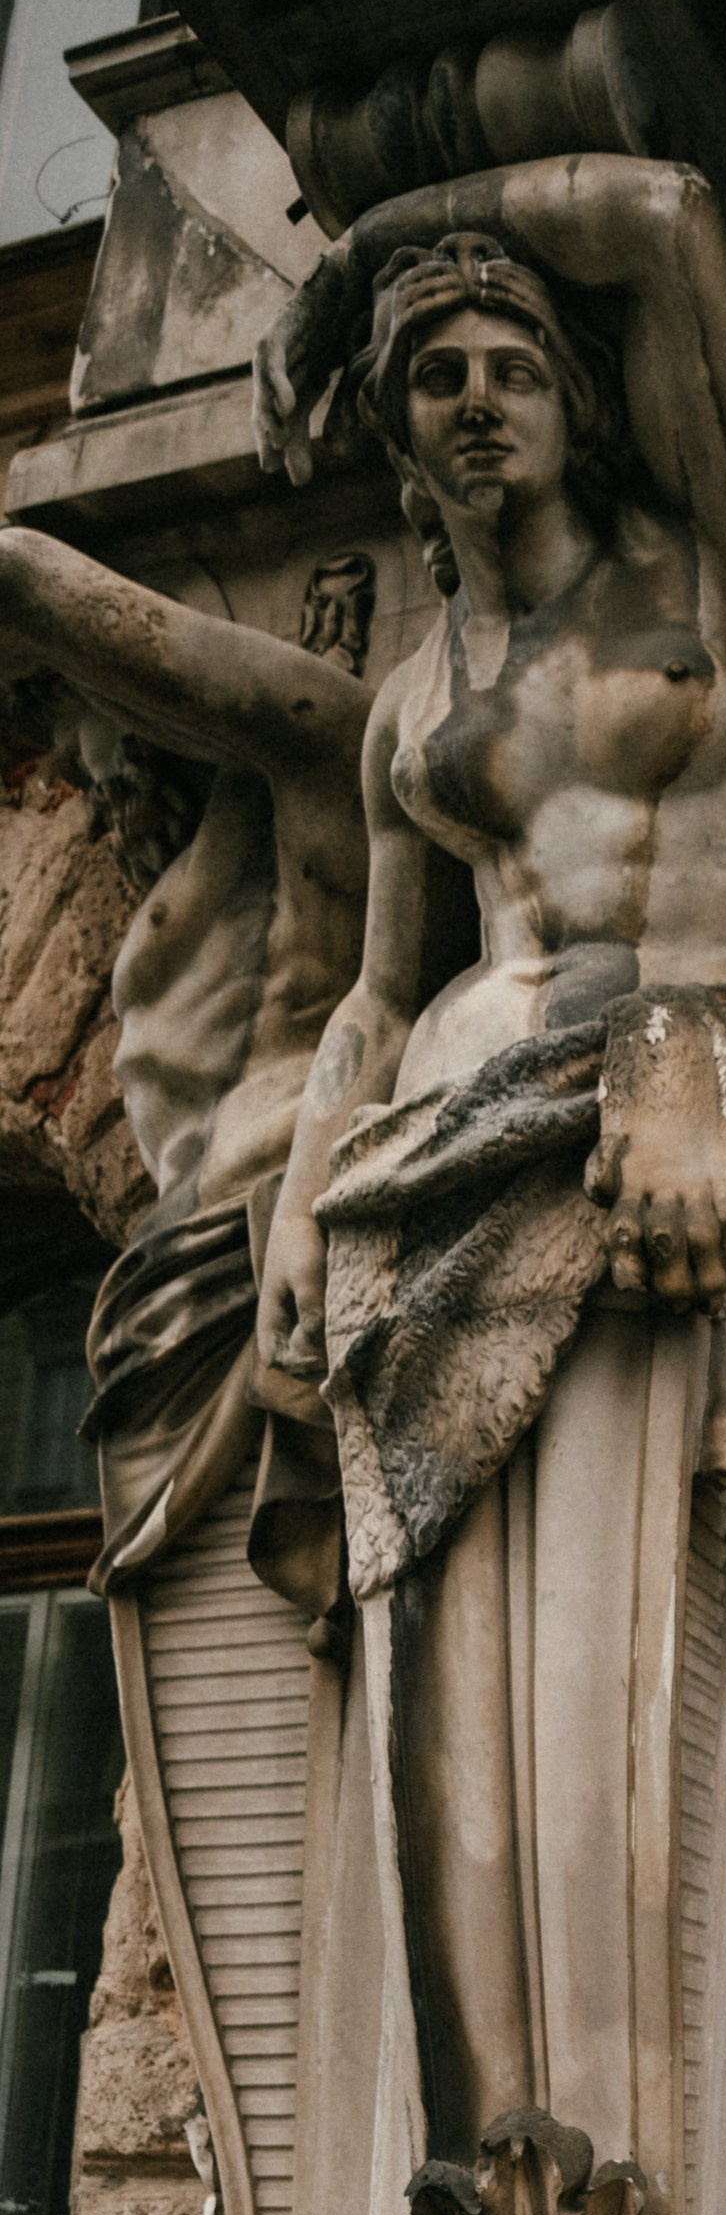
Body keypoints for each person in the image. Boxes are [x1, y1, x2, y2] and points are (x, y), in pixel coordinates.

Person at [244, 157, 726, 2215]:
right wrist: (303, 1214)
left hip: (641, 1131)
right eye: (431, 376)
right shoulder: (413, 697)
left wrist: (357, 268)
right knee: (432, 1707)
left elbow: (677, 213)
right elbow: (371, 987)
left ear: (576, 400)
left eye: (509, 364)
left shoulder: (704, 576)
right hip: (428, 1154)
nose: (475, 399)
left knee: (591, 1677)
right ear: (402, 433)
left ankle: (597, 2185)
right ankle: (469, 2173)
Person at [0, 523, 377, 1606]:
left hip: (242, 1252)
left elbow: (289, 718)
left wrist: (32, 588)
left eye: (88, 721)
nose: (74, 766)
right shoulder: (204, 860)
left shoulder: (302, 815)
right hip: (166, 1280)